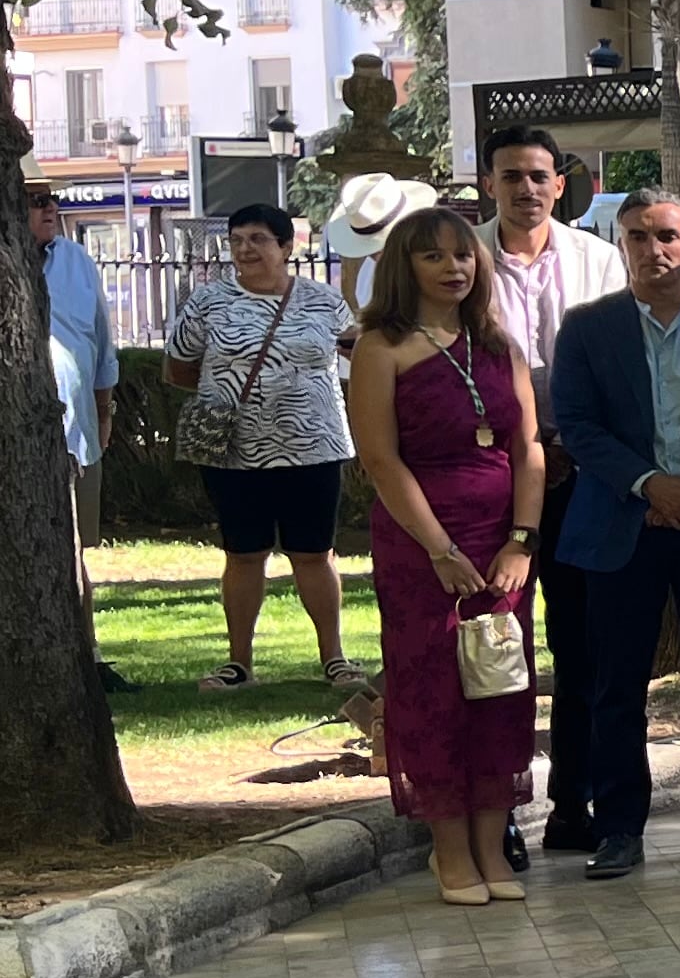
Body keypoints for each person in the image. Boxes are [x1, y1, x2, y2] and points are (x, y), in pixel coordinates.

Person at [546, 192, 680, 877]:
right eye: (638, 237)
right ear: (622, 246)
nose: (654, 250)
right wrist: (648, 485)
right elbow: (577, 424)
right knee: (616, 685)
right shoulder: (586, 329)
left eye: (667, 236)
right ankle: (618, 830)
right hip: (622, 525)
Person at [346, 205, 542, 907]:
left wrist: (522, 540)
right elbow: (379, 457)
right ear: (406, 267)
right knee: (437, 690)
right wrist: (440, 548)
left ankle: (493, 851)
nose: (454, 267)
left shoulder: (500, 345)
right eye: (434, 257)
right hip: (421, 542)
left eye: (463, 255)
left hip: (501, 544)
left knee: (500, 689)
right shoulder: (382, 346)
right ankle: (450, 854)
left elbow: (529, 448)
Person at [474, 126, 626, 850]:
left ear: (561, 184)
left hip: (580, 480)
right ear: (488, 183)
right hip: (487, 485)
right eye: (512, 176)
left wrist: (570, 449)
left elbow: (619, 370)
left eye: (539, 177)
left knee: (582, 646)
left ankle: (574, 804)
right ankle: (495, 806)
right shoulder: (459, 261)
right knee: (492, 644)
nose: (526, 190)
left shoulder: (600, 261)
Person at [167, 196, 366, 690]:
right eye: (236, 241)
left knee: (314, 553)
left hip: (313, 448)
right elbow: (178, 366)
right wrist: (232, 395)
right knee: (243, 553)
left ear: (285, 245)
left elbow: (356, 358)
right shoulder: (208, 301)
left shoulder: (324, 301)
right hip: (234, 452)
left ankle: (334, 658)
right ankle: (239, 663)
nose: (244, 249)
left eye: (257, 239)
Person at [35, 185, 117, 548]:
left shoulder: (76, 260)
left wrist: (103, 412)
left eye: (53, 199)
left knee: (76, 555)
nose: (50, 207)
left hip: (76, 435)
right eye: (38, 201)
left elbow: (101, 341)